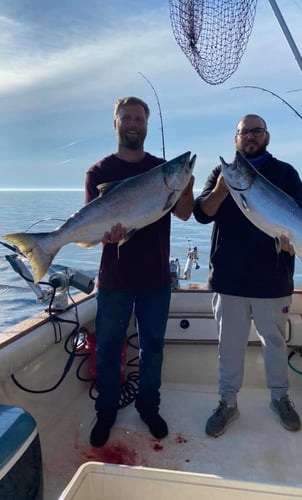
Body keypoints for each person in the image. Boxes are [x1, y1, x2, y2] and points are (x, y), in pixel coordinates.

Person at [85, 96, 195, 447]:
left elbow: (183, 213)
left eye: (140, 119)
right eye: (127, 117)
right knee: (107, 349)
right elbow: (93, 225)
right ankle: (106, 411)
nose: (134, 123)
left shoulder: (164, 170)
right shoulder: (99, 172)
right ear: (115, 123)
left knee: (153, 348)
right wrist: (107, 235)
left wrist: (185, 185)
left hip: (155, 280)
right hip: (114, 280)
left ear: (147, 126)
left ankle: (149, 406)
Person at [193, 114, 302, 437]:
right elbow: (201, 214)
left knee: (274, 342)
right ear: (235, 140)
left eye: (257, 131)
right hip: (229, 279)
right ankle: (227, 403)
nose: (250, 137)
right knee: (228, 346)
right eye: (244, 132)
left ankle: (280, 398)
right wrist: (221, 190)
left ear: (267, 136)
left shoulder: (285, 173)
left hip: (273, 280)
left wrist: (295, 246)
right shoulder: (222, 173)